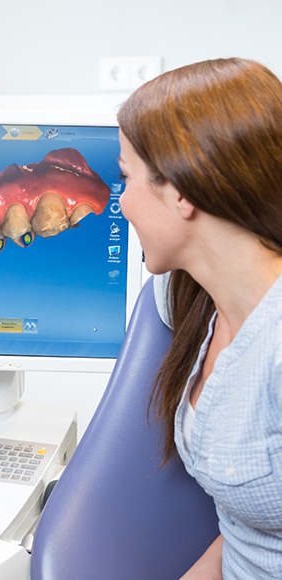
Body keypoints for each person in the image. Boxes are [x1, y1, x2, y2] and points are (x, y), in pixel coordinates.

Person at [117, 58, 282, 579]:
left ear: (182, 192)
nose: (121, 204)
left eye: (127, 178)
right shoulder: (189, 296)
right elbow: (245, 533)